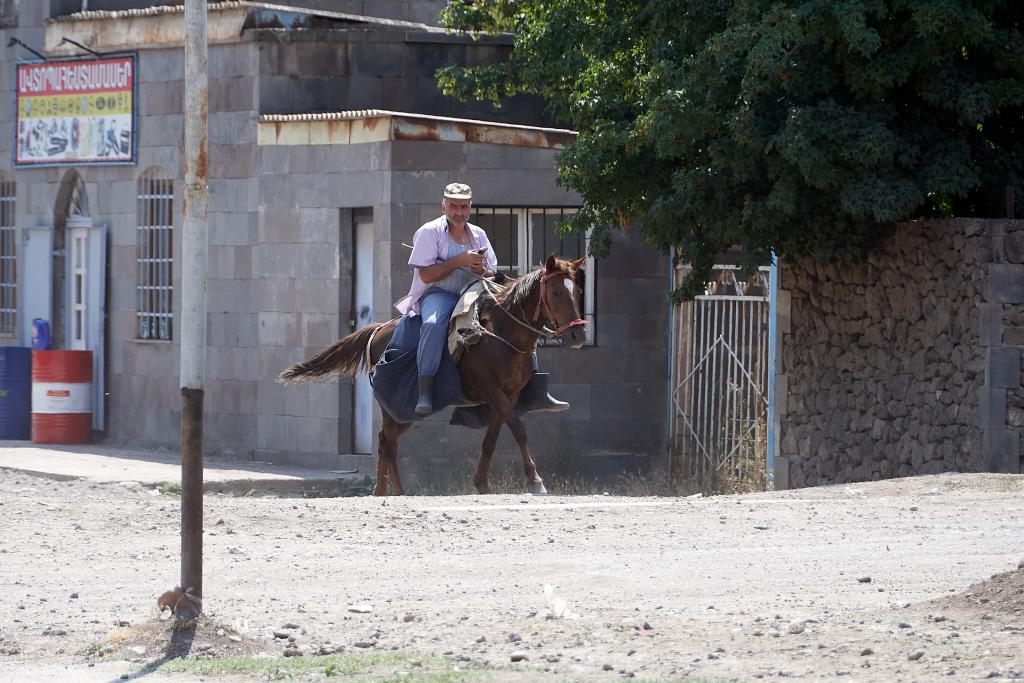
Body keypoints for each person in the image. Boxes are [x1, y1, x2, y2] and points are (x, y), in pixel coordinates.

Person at [394, 182, 569, 418]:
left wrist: (481, 270)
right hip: (439, 294)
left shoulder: (478, 234)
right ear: (443, 206)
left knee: (518, 317)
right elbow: (425, 274)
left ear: (469, 208)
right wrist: (459, 261)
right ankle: (425, 387)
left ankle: (536, 388)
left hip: (475, 290)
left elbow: (491, 270)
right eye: (453, 206)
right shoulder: (430, 232)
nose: (459, 212)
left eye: (463, 207)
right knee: (433, 324)